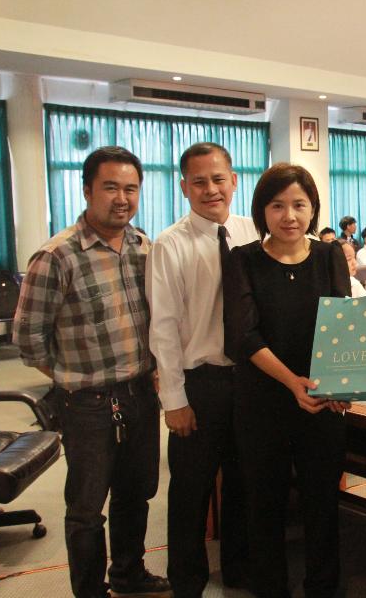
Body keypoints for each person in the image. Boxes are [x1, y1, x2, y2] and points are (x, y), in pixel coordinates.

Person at [13, 146, 170, 598]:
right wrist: (72, 377)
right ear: (87, 190)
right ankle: (89, 590)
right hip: (87, 404)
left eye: (131, 189)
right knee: (86, 508)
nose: (122, 198)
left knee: (135, 493)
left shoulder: (144, 248)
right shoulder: (56, 256)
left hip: (141, 393)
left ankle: (128, 574)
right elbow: (28, 340)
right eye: (110, 188)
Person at [223, 163, 351, 598]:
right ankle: (270, 588)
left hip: (322, 400)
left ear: (313, 209)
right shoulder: (243, 259)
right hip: (263, 401)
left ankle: (323, 588)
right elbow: (243, 336)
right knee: (265, 505)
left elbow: (343, 326)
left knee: (322, 503)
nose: (289, 216)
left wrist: (341, 381)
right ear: (262, 210)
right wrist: (292, 382)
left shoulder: (330, 256)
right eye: (277, 206)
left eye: (299, 204)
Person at [146, 142, 256, 597]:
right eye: (199, 182)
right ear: (183, 187)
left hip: (250, 380)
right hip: (201, 383)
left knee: (243, 482)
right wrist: (174, 400)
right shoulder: (169, 244)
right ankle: (187, 581)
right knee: (190, 489)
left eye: (218, 179)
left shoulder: (253, 231)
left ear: (234, 181)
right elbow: (163, 329)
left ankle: (239, 570)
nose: (210, 189)